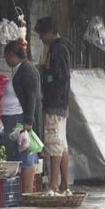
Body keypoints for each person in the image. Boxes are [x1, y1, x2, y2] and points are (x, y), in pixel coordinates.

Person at [34, 16, 71, 195]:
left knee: (53, 142)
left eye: (42, 34)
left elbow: (60, 76)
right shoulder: (55, 48)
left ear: (49, 32)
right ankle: (64, 184)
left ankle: (54, 185)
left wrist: (46, 75)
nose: (41, 38)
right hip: (59, 102)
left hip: (55, 101)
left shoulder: (58, 49)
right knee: (62, 144)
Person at [2, 41, 42, 194]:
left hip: (21, 119)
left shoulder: (27, 70)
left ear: (12, 55)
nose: (6, 61)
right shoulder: (20, 69)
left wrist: (28, 121)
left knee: (26, 155)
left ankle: (26, 194)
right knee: (18, 155)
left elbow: (32, 97)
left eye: (6, 57)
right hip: (13, 119)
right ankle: (21, 193)